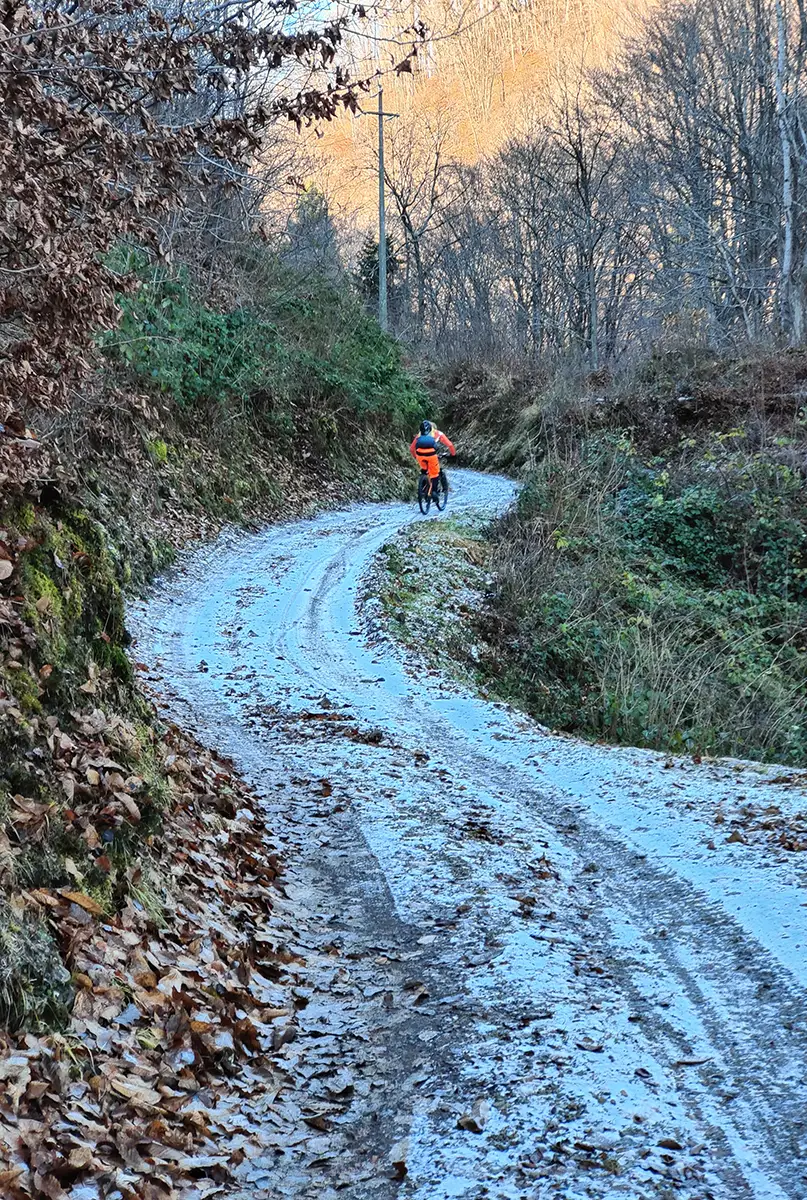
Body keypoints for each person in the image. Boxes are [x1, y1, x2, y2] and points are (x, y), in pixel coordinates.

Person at [410, 420, 456, 496]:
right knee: (435, 473)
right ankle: (435, 491)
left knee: (424, 470)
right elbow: (450, 445)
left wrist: (416, 457)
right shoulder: (438, 433)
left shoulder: (420, 435)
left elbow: (412, 448)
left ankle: (423, 487)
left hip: (420, 456)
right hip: (432, 456)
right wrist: (453, 455)